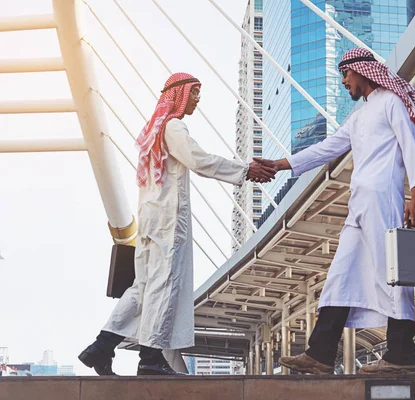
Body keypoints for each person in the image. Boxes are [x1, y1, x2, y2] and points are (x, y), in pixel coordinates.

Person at [78, 72, 276, 376]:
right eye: (195, 92)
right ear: (179, 94)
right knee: (164, 284)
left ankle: (101, 347)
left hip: (148, 221)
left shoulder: (153, 130)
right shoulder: (173, 126)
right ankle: (151, 358)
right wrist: (245, 170)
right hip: (168, 222)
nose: (198, 99)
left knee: (142, 288)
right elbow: (199, 161)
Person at [259, 48, 415, 375]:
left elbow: (412, 147)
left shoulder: (392, 103)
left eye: (345, 74)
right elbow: (328, 148)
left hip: (384, 199)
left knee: (395, 276)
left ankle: (402, 357)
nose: (343, 82)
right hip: (359, 205)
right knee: (341, 273)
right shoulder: (359, 115)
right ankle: (320, 354)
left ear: (362, 71)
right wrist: (281, 165)